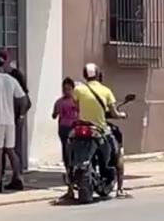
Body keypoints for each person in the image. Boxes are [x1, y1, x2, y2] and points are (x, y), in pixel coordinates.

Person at [72, 63, 128, 195]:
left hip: (82, 127)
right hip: (100, 129)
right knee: (117, 153)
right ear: (98, 75)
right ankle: (120, 189)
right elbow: (114, 113)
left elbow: (77, 107)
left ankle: (70, 187)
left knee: (71, 151)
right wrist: (122, 115)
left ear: (85, 75)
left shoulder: (78, 90)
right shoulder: (106, 91)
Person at [0, 55, 29, 193]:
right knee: (10, 150)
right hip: (9, 120)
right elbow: (23, 99)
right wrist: (20, 115)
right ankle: (18, 177)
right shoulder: (11, 80)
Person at [52, 78, 79, 166]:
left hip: (75, 127)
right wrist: (56, 112)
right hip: (63, 127)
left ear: (73, 89)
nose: (66, 91)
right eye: (64, 89)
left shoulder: (76, 101)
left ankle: (75, 164)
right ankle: (67, 165)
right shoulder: (59, 102)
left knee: (75, 147)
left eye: (69, 89)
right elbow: (54, 116)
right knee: (65, 147)